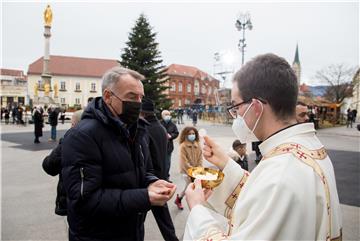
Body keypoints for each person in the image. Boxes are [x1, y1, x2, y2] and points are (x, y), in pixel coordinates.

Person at [184, 53, 342, 240]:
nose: (235, 114)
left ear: (256, 107)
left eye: (235, 106)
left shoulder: (280, 174)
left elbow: (272, 189)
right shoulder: (306, 148)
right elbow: (262, 196)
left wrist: (198, 211)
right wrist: (226, 163)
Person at [61, 66, 176, 241]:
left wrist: (153, 182)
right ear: (108, 96)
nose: (138, 103)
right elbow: (85, 200)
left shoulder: (138, 130)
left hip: (132, 231)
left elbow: (143, 171)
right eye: (131, 96)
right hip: (96, 236)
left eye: (140, 97)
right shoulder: (83, 136)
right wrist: (144, 197)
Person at [140, 98, 179, 241]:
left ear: (142, 113)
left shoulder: (144, 129)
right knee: (164, 221)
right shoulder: (160, 128)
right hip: (160, 176)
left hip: (149, 181)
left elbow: (144, 158)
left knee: (137, 222)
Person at [42, 110, 83, 216]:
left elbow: (49, 166)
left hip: (72, 198)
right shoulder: (101, 138)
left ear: (74, 125)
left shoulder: (69, 141)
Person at [174, 126, 203, 210]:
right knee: (189, 186)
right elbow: (184, 162)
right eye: (189, 134)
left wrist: (199, 169)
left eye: (193, 133)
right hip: (186, 171)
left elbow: (200, 159)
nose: (192, 135)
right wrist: (192, 171)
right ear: (186, 135)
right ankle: (191, 204)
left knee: (192, 186)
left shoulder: (198, 145)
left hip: (196, 171)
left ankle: (179, 199)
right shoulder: (183, 146)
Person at [160, 110, 179, 181]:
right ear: (162, 116)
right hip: (161, 147)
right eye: (166, 114)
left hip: (169, 147)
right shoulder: (159, 123)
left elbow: (176, 133)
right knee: (161, 162)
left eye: (168, 114)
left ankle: (167, 177)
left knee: (168, 162)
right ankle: (162, 176)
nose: (168, 116)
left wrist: (171, 136)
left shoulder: (173, 125)